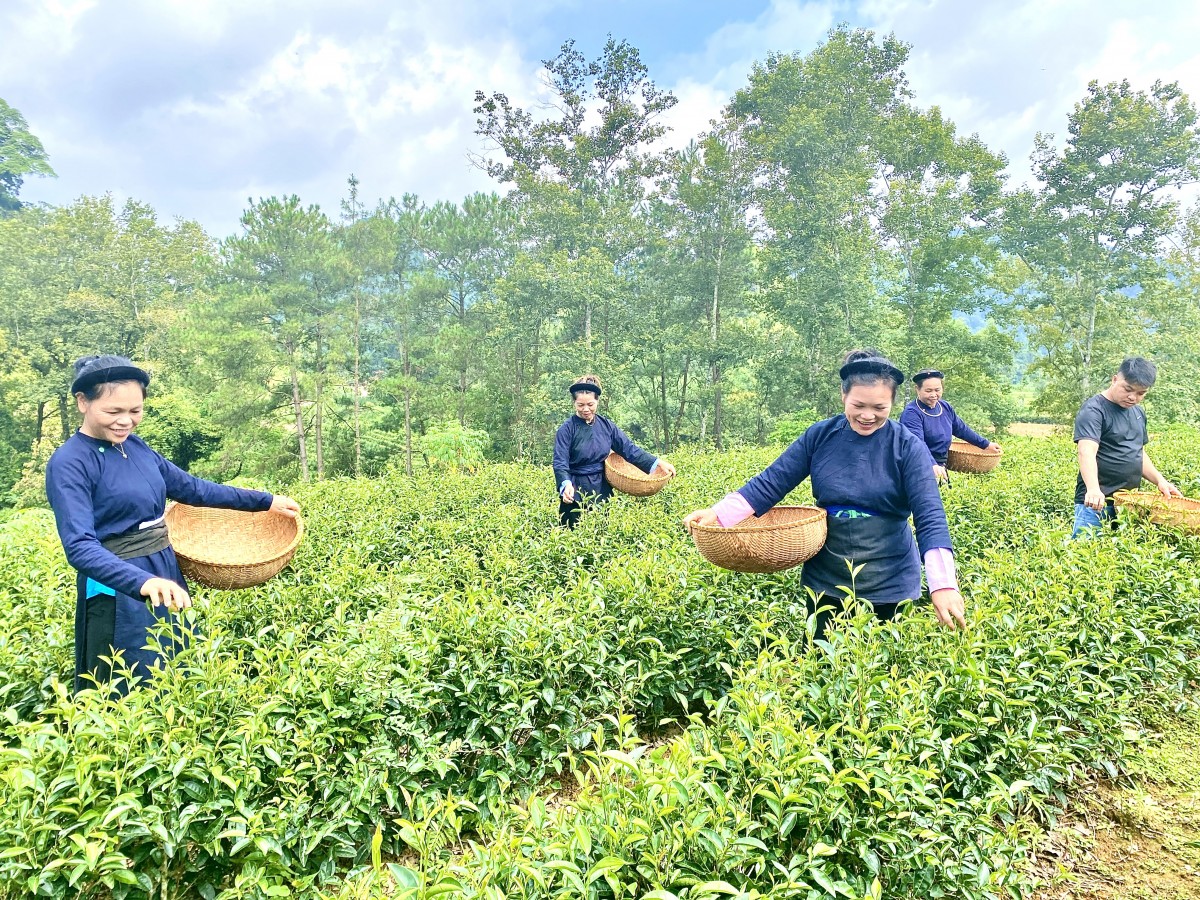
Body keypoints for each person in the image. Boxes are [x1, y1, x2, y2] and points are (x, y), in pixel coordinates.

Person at [45, 355, 301, 694]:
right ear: (83, 402)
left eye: (135, 411)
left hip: (163, 571)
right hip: (117, 583)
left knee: (175, 669)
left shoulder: (135, 447)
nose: (126, 422)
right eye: (113, 412)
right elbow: (79, 546)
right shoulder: (70, 463)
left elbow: (193, 488)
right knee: (122, 682)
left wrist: (264, 501)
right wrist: (142, 582)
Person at [683, 349, 967, 639]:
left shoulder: (907, 446)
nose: (868, 416)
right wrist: (717, 514)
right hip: (827, 576)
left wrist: (943, 585)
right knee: (821, 660)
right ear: (843, 396)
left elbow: (930, 515)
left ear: (893, 403)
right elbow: (770, 483)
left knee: (882, 666)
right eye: (858, 405)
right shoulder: (820, 436)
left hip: (890, 576)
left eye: (879, 408)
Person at [1071, 356, 1181, 539]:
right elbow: (1086, 452)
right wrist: (1093, 489)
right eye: (1128, 389)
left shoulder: (1137, 412)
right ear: (1115, 379)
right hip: (1096, 503)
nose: (1133, 397)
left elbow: (1138, 452)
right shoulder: (1094, 410)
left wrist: (1160, 481)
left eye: (1141, 393)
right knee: (1085, 558)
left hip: (1128, 504)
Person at [552, 375, 676, 528]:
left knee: (601, 533)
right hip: (575, 489)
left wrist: (658, 463)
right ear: (574, 403)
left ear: (597, 401)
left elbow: (629, 450)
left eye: (590, 404)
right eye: (580, 405)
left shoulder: (607, 426)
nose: (585, 409)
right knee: (571, 533)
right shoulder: (566, 429)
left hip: (601, 488)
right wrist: (565, 485)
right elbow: (560, 462)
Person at [899, 369, 1000, 482]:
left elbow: (961, 429)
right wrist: (931, 464)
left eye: (937, 390)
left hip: (940, 466)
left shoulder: (945, 407)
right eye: (928, 391)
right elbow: (917, 443)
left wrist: (986, 444)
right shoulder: (912, 413)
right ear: (917, 389)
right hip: (918, 466)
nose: (933, 395)